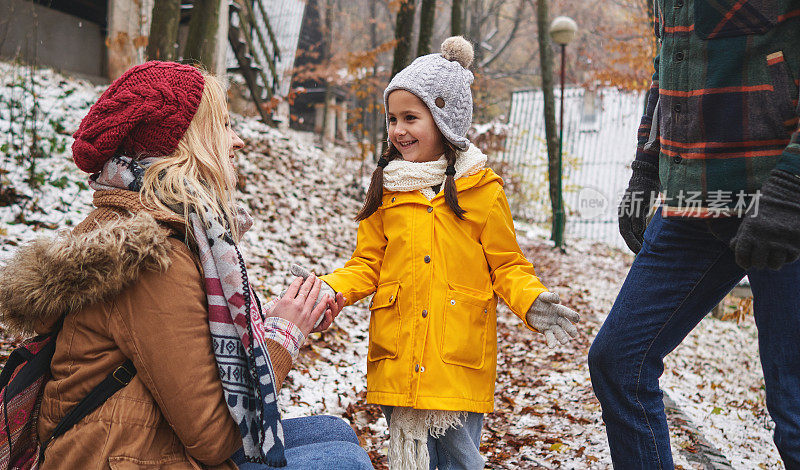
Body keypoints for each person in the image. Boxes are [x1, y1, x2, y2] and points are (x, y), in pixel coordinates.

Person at [0, 61, 371, 470]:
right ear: (183, 144)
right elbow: (213, 438)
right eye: (224, 125)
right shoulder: (149, 258)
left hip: (137, 439)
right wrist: (284, 336)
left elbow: (183, 345)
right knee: (342, 460)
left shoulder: (138, 225)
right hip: (115, 456)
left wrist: (274, 320)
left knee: (334, 432)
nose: (237, 141)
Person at [293, 37, 580, 470]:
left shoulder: (482, 190)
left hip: (456, 358)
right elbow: (366, 265)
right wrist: (327, 289)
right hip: (399, 355)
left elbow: (507, 264)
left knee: (460, 461)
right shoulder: (387, 189)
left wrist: (531, 299)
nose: (399, 130)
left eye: (411, 117)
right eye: (392, 119)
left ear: (446, 120)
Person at [588, 0, 800, 468]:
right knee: (619, 363)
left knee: (795, 416)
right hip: (694, 200)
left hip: (784, 201)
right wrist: (646, 166)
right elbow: (670, 57)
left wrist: (793, 189)